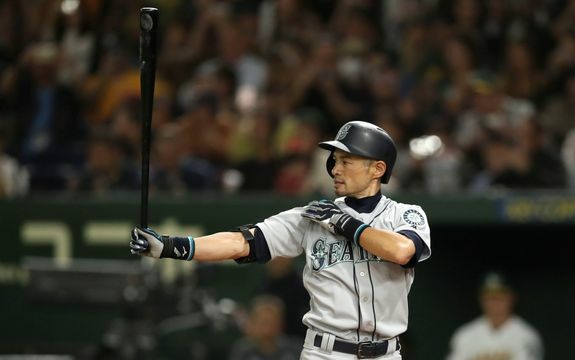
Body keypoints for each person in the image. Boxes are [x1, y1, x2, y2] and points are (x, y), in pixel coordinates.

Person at [130, 121, 432, 359]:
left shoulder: (405, 214)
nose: (335, 169)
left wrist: (344, 223)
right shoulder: (311, 216)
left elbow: (402, 251)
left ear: (377, 168)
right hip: (325, 353)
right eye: (335, 160)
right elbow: (242, 242)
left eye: (347, 161)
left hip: (386, 354)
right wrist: (171, 247)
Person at [446, 271, 543, 360]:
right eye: (489, 295)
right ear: (481, 298)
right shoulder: (465, 336)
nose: (494, 300)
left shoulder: (526, 336)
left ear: (511, 297)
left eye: (500, 294)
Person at [228, 295, 301, 360]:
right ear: (253, 323)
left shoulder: (294, 349)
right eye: (263, 322)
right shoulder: (242, 351)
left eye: (272, 322)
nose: (267, 328)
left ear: (281, 323)